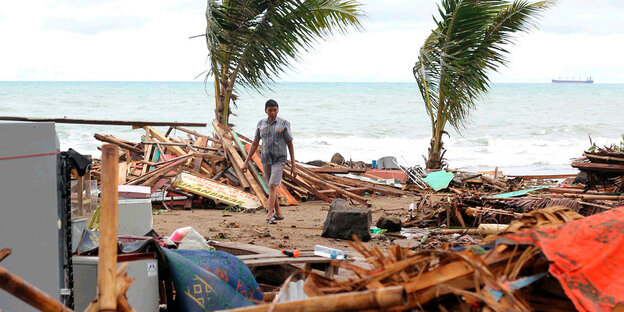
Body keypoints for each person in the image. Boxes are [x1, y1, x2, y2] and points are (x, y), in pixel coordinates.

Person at [242, 99, 296, 224]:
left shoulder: (284, 124)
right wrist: (246, 162)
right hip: (266, 159)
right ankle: (279, 213)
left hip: (279, 159)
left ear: (278, 110)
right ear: (265, 110)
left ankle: (269, 214)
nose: (272, 113)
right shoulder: (261, 124)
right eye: (270, 110)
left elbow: (290, 144)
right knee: (271, 187)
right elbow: (255, 143)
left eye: (275, 110)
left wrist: (294, 165)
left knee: (272, 185)